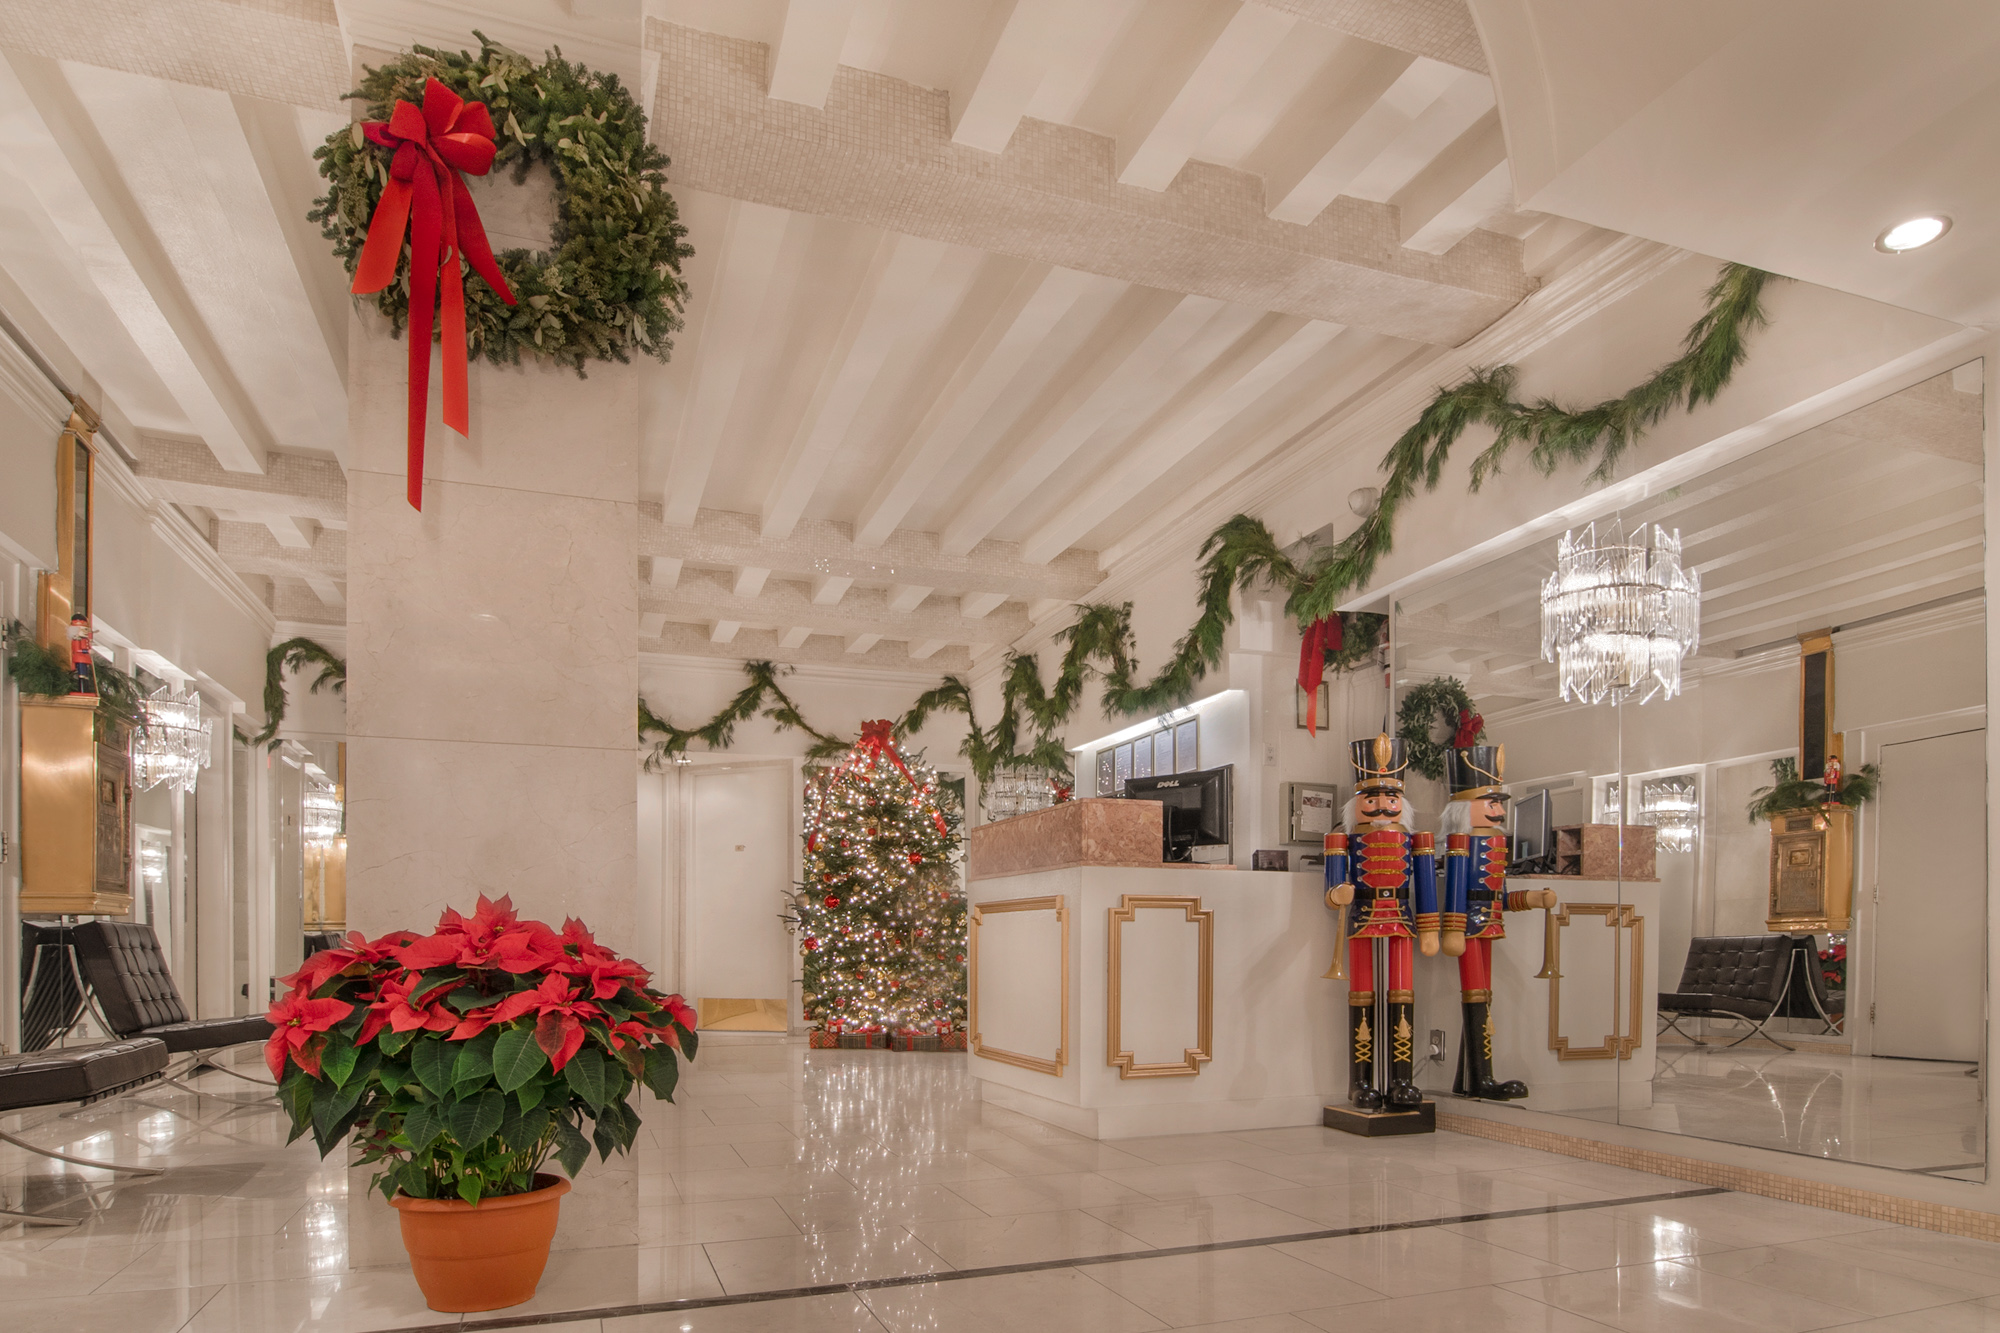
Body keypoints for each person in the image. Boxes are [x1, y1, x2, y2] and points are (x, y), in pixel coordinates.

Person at [1439, 743, 1556, 1100]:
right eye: (1491, 803)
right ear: (1466, 807)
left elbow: (1498, 896)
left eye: (1499, 804)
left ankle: (1469, 1079)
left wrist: (1530, 899)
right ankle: (1482, 1079)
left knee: (1483, 995)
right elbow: (1455, 889)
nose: (1500, 811)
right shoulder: (1461, 843)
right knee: (1476, 994)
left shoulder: (1496, 844)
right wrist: (1454, 928)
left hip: (1489, 923)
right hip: (1468, 926)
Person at [1323, 733, 1434, 1111]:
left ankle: (1402, 1080)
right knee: (1362, 994)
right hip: (1362, 917)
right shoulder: (1341, 840)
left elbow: (1426, 886)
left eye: (1391, 799)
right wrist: (1339, 893)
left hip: (1401, 917)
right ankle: (1360, 1083)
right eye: (1372, 799)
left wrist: (1430, 928)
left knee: (1402, 993)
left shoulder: (1417, 840)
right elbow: (1331, 891)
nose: (1382, 806)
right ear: (1357, 804)